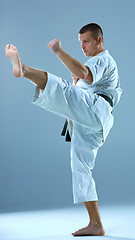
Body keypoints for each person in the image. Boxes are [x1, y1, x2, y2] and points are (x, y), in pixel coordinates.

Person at [5, 23, 122, 236]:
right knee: (80, 168)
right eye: (80, 43)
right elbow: (81, 80)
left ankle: (24, 69)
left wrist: (59, 52)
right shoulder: (91, 62)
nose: (83, 46)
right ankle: (96, 224)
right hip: (89, 120)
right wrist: (77, 83)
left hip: (96, 110)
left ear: (99, 41)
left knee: (63, 89)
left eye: (86, 41)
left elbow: (84, 73)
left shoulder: (104, 59)